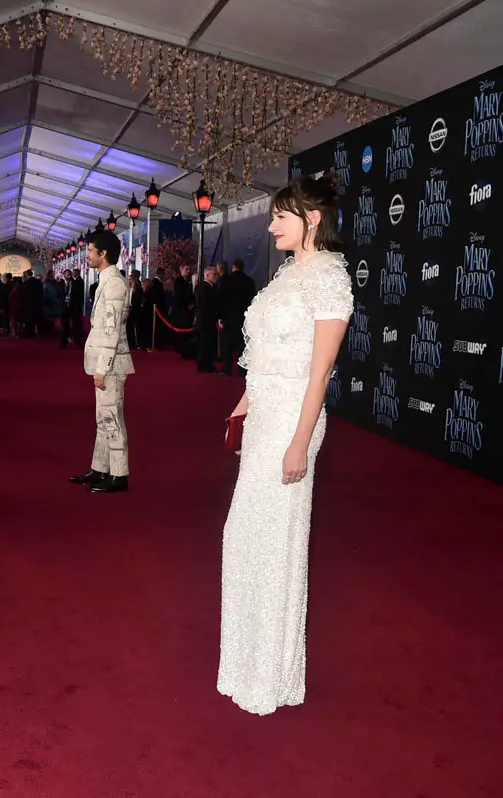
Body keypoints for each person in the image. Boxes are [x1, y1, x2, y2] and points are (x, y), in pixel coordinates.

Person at [216, 173, 352, 716]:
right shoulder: (286, 275)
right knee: (244, 537)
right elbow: (265, 354)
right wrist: (244, 405)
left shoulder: (330, 279)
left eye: (280, 217)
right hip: (264, 414)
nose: (271, 226)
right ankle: (243, 664)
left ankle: (269, 676)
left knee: (274, 543)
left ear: (311, 220)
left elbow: (320, 373)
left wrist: (299, 443)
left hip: (294, 420)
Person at [70, 230, 132, 494]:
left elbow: (112, 330)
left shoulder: (115, 284)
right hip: (106, 364)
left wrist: (103, 368)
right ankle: (99, 468)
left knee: (112, 419)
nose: (87, 255)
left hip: (111, 365)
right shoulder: (107, 281)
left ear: (103, 254)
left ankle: (119, 474)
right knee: (103, 419)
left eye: (90, 250)